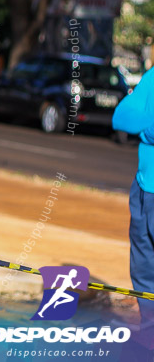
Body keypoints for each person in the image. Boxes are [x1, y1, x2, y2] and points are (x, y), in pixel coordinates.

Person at [113, 69, 154, 344]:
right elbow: (122, 117)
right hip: (145, 186)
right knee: (143, 267)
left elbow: (139, 120)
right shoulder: (153, 76)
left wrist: (147, 126)